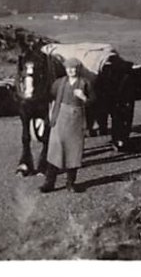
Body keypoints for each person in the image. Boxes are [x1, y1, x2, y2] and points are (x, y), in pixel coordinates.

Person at [40, 57, 93, 193]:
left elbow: (94, 101)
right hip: (60, 118)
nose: (71, 71)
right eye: (69, 68)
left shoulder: (85, 83)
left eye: (74, 68)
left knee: (73, 152)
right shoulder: (59, 83)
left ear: (78, 69)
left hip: (76, 120)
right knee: (55, 151)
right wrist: (51, 114)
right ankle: (49, 183)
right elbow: (51, 97)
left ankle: (71, 183)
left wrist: (84, 98)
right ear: (65, 69)